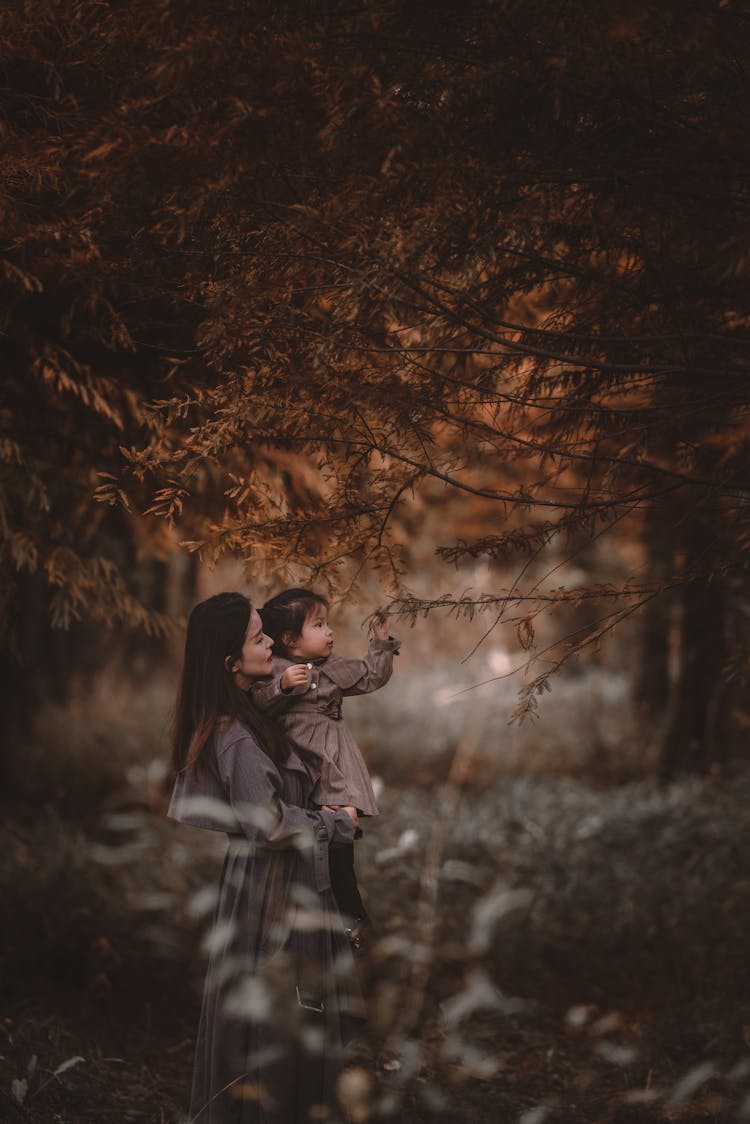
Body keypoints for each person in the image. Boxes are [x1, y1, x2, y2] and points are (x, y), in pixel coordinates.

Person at [168, 592, 363, 1124]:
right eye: (259, 639)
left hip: (284, 879)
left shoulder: (254, 712)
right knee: (276, 1023)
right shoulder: (234, 736)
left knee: (296, 1020)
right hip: (271, 890)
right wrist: (335, 823)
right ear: (231, 663)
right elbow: (270, 823)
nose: (271, 643)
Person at [250, 589, 400, 948]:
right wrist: (283, 688)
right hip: (301, 765)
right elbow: (257, 703)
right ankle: (316, 916)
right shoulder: (276, 670)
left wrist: (380, 643)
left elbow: (369, 677)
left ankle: (350, 915)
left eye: (327, 623)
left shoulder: (332, 669)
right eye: (318, 625)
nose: (329, 631)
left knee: (339, 838)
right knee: (314, 838)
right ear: (290, 640)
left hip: (333, 762)